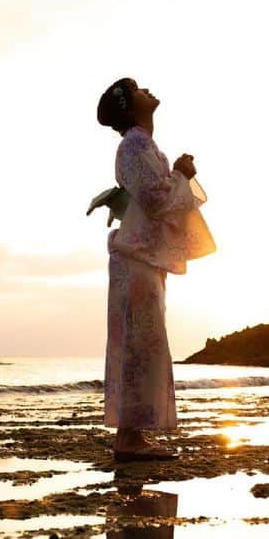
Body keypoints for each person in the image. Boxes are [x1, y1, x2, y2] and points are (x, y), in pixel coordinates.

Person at [96, 78, 211, 461]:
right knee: (139, 342)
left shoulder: (141, 145)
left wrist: (177, 174)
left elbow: (151, 196)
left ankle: (133, 436)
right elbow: (155, 198)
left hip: (143, 256)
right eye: (138, 90)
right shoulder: (134, 144)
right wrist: (180, 174)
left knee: (143, 342)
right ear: (130, 107)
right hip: (137, 257)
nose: (147, 90)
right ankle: (128, 439)